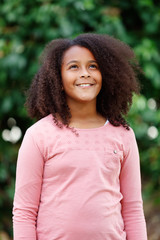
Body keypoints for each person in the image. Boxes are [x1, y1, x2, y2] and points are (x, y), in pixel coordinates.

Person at [12, 33, 147, 240]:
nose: (85, 73)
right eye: (73, 67)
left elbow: (133, 210)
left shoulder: (123, 135)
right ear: (57, 79)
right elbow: (24, 213)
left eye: (93, 66)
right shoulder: (39, 136)